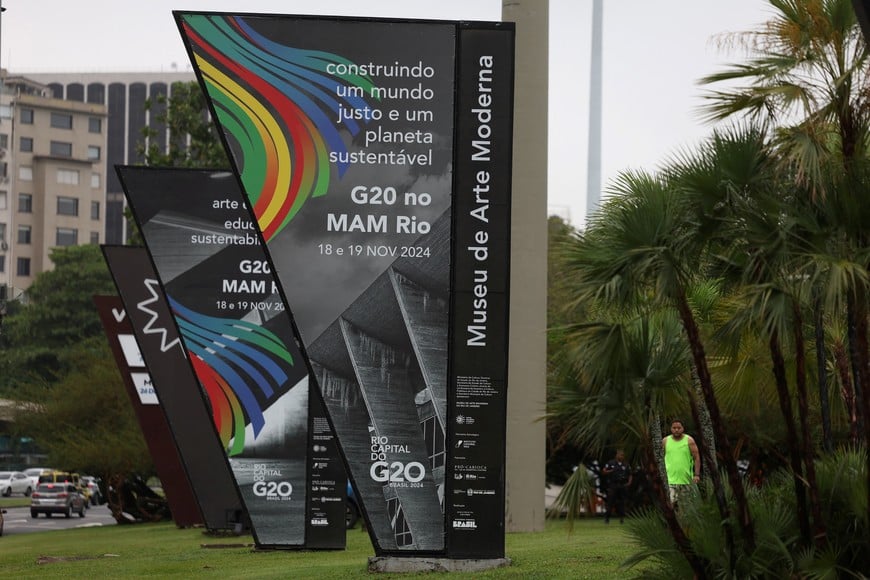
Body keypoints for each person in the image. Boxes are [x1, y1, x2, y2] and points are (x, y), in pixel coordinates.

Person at [662, 419, 701, 507]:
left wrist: (697, 474)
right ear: (671, 429)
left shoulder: (689, 440)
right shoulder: (665, 441)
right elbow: (660, 458)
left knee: (686, 507)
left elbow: (696, 457)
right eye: (674, 428)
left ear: (683, 428)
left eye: (679, 428)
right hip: (669, 480)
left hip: (686, 480)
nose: (676, 430)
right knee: (671, 505)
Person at [601, 449, 632, 523]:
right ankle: (607, 518)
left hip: (622, 485)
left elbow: (630, 474)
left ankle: (622, 518)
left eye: (623, 455)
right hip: (613, 485)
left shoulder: (626, 464)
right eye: (620, 455)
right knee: (610, 502)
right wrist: (611, 471)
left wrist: (629, 482)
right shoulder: (611, 463)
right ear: (616, 455)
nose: (621, 456)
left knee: (622, 502)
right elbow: (604, 471)